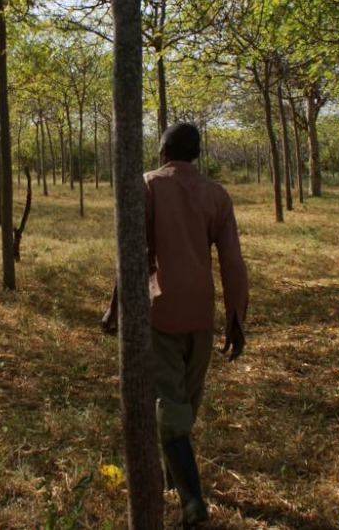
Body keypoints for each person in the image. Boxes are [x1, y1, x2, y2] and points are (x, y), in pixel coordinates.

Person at [102, 122, 249, 528]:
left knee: (170, 409)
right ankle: (175, 482)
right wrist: (236, 317)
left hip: (159, 313)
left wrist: (115, 305)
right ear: (197, 155)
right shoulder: (217, 195)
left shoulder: (147, 185)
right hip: (201, 316)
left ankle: (192, 501)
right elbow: (233, 260)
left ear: (163, 151)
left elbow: (131, 250)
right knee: (183, 404)